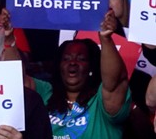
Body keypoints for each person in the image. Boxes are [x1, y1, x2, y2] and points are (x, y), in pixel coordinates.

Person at [37, 9, 131, 138]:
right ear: (58, 66)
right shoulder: (46, 92)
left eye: (81, 59)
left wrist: (106, 38)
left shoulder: (101, 101)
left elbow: (115, 81)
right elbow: (15, 81)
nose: (73, 63)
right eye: (66, 59)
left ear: (92, 67)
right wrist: (9, 40)